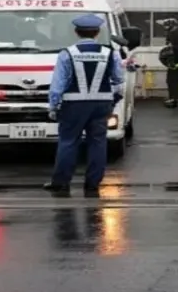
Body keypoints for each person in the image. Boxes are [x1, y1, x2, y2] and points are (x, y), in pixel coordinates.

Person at [43, 15, 125, 197]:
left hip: (73, 105)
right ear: (98, 32)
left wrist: (53, 106)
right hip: (101, 104)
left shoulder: (67, 53)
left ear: (76, 32)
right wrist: (113, 99)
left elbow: (58, 84)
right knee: (98, 143)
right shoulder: (109, 53)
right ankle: (93, 184)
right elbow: (119, 80)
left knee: (68, 141)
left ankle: (61, 182)